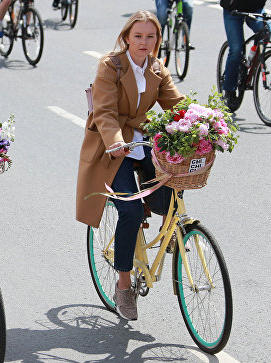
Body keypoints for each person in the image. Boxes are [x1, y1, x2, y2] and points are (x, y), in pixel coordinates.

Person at [75, 11, 184, 321]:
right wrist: (114, 140)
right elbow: (105, 112)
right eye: (138, 36)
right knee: (131, 211)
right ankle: (124, 285)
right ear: (126, 38)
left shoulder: (157, 68)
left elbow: (177, 104)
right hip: (113, 148)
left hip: (144, 143)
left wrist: (203, 123)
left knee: (172, 190)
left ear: (157, 40)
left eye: (150, 37)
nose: (144, 42)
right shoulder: (111, 65)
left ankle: (174, 233)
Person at [220, 0, 267, 111]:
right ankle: (229, 90)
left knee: (265, 33)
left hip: (256, 9)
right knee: (236, 50)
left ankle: (251, 59)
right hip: (232, 9)